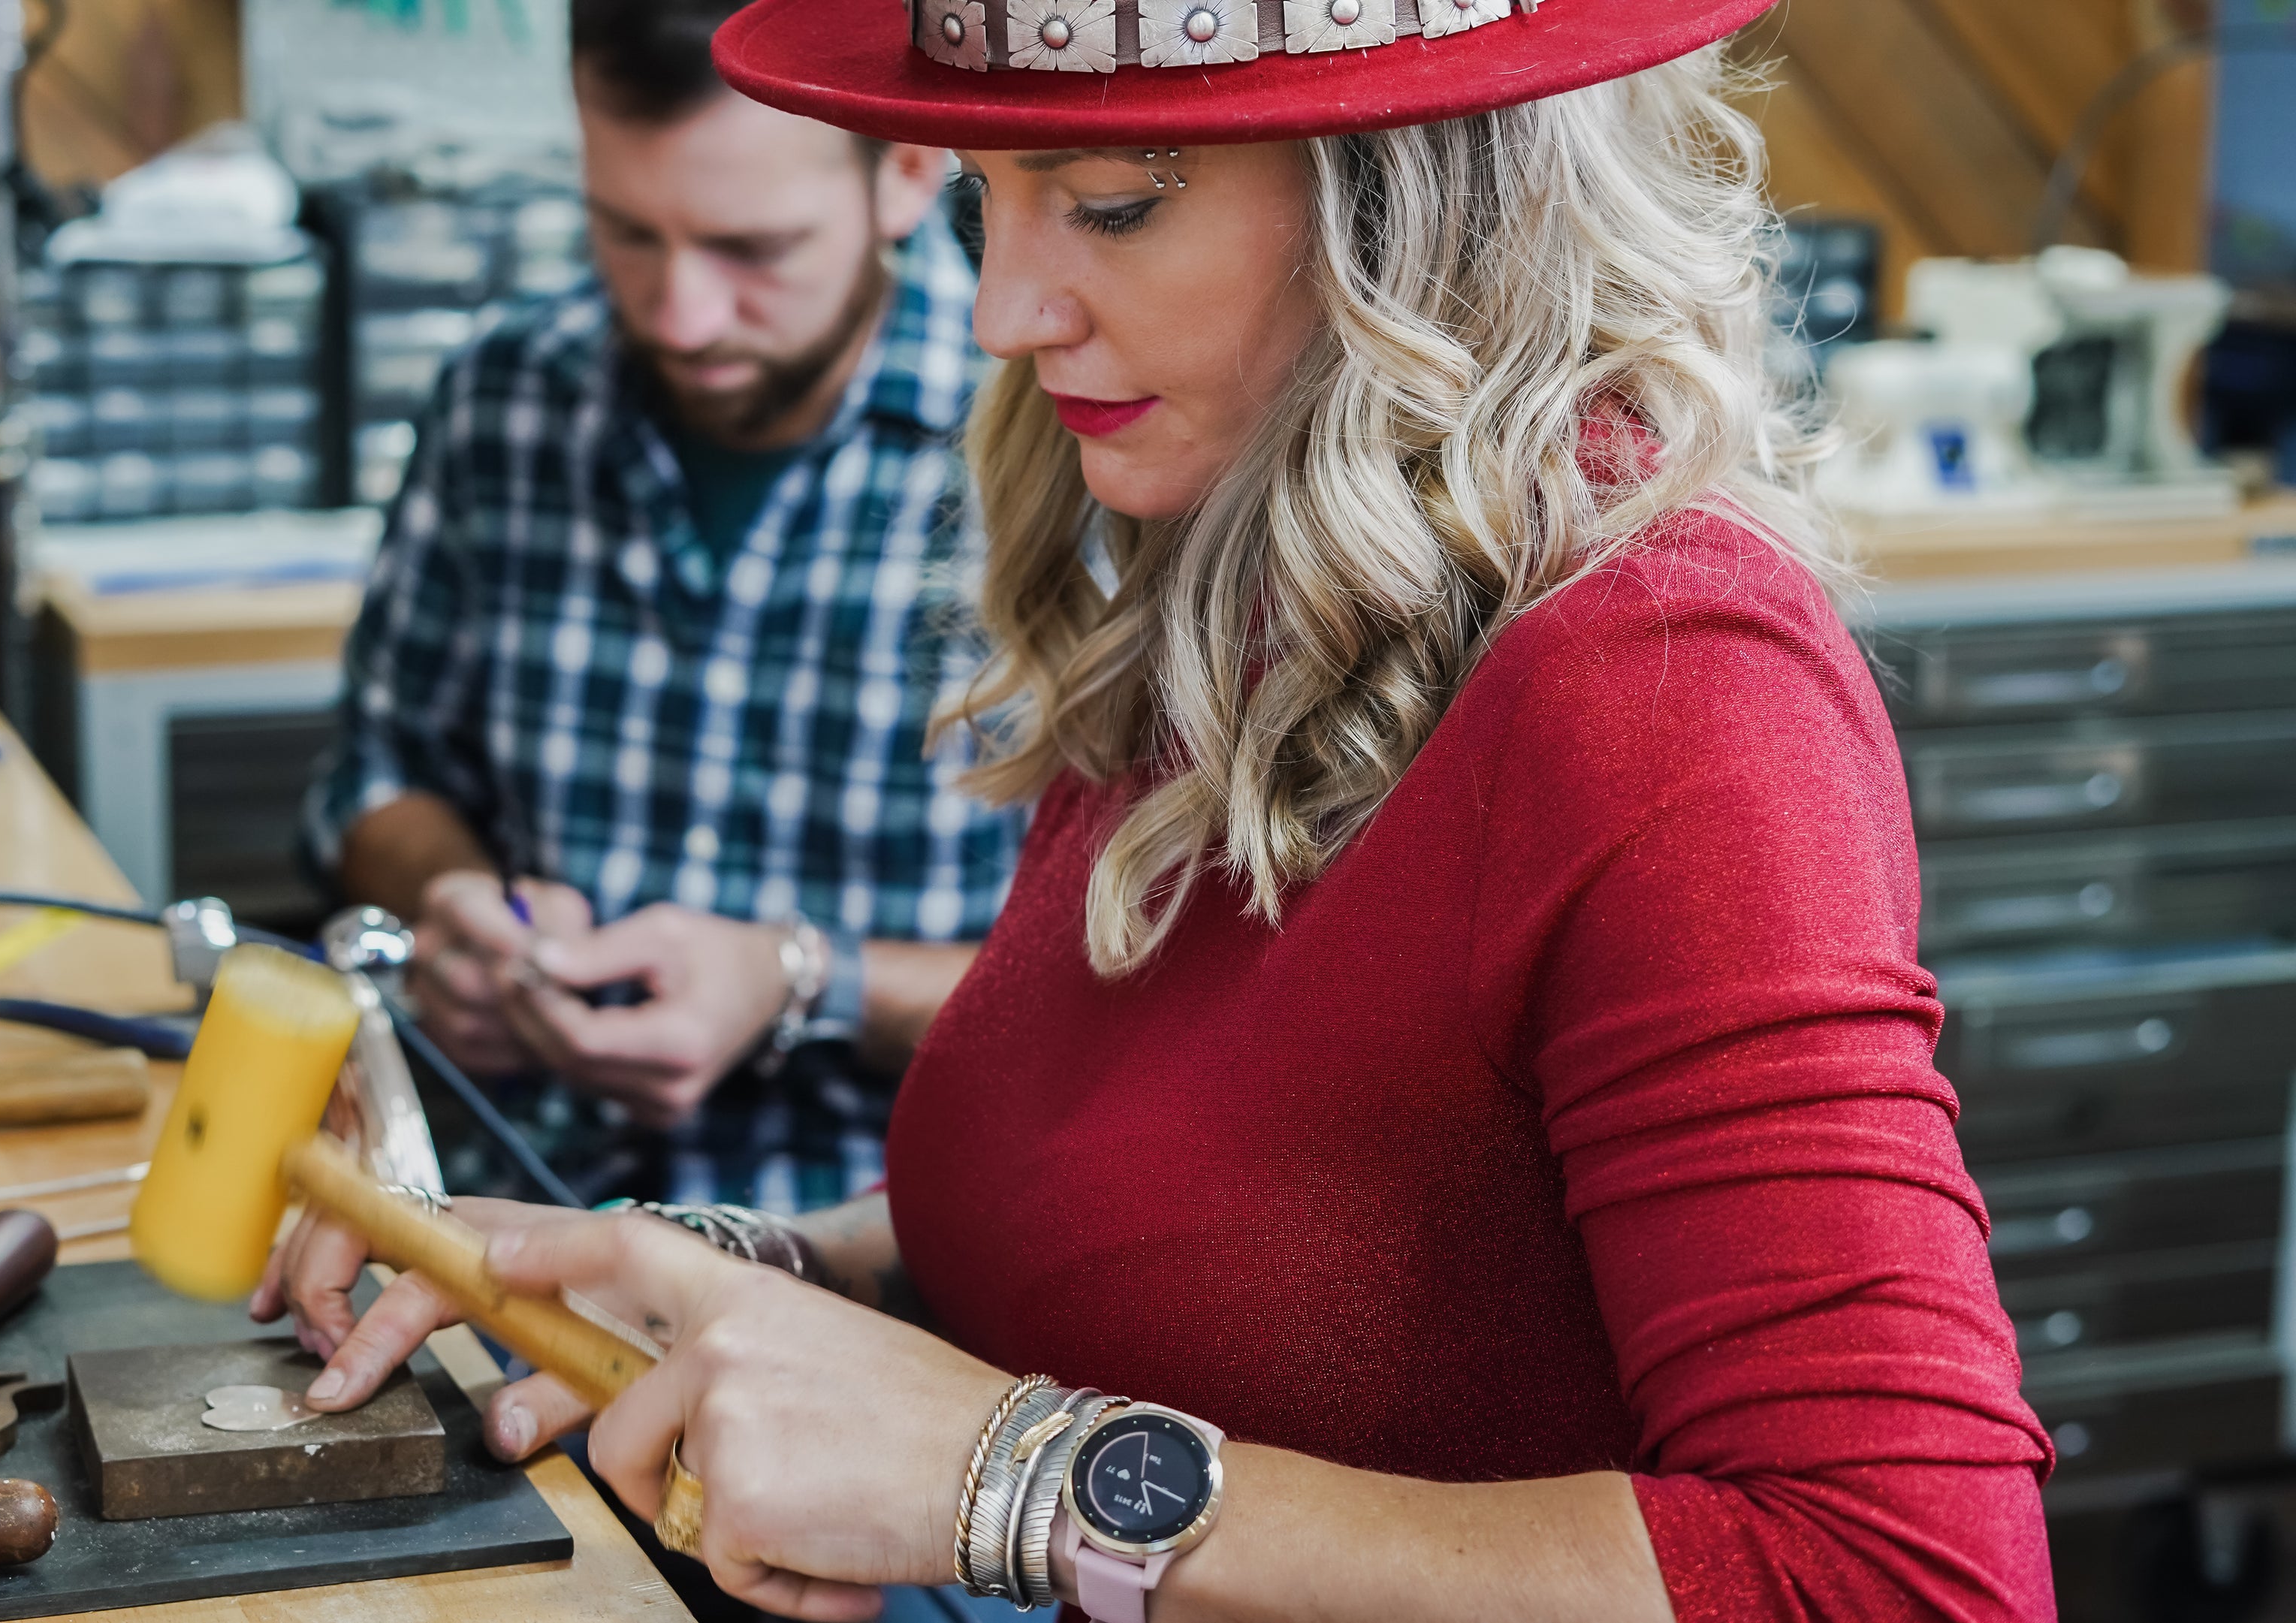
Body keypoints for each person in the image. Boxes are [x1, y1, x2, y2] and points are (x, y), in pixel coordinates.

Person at [270, 0, 2059, 1617]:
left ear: (1415, 200)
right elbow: (1160, 1228)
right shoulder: (1230, 563)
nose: (999, 310)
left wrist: (1016, 1472)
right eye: (990, 200)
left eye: (1112, 204)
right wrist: (739, 1279)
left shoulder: (1664, 680)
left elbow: (1911, 1577)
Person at [297, 0, 1024, 1223]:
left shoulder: (1061, 449)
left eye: (752, 248)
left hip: (885, 1263)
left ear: (906, 170)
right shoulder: (508, 398)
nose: (681, 316)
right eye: (626, 233)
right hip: (501, 1210)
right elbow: (374, 779)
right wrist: (462, 907)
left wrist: (804, 983)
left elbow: (1166, 1026)